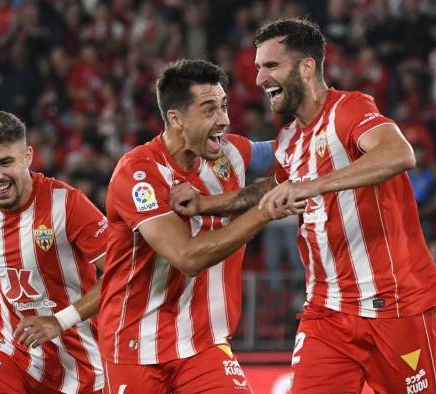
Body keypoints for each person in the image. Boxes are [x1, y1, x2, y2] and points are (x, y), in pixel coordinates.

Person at [171, 18, 436, 394]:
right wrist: (204, 203)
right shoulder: (289, 139)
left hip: (394, 306)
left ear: (306, 67)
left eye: (270, 66)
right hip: (326, 313)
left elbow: (398, 153)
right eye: (257, 68)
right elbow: (271, 190)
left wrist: (313, 184)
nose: (260, 79)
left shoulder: (349, 108)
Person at [98, 59, 303, 394]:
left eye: (223, 107)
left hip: (204, 343)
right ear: (176, 118)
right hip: (137, 345)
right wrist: (264, 212)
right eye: (209, 110)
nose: (223, 119)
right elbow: (187, 258)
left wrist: (335, 134)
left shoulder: (232, 153)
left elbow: (295, 154)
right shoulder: (139, 175)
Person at [0, 110, 108, 393]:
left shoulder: (67, 204)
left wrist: (60, 321)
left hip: (83, 364)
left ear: (27, 156)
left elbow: (123, 271)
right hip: (11, 352)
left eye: (6, 162)